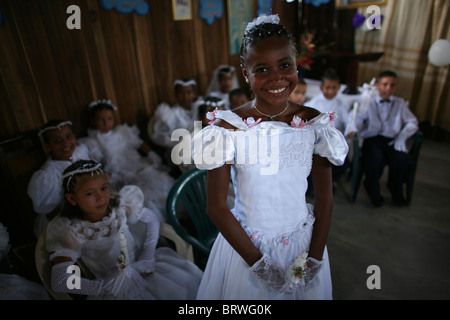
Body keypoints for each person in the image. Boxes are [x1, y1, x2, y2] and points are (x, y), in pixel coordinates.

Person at [192, 14, 348, 300]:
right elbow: (216, 207)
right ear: (245, 72)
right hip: (246, 249)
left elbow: (325, 198)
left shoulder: (314, 123)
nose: (277, 78)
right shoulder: (227, 129)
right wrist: (259, 264)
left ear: (296, 63)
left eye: (285, 65)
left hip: (304, 242)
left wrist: (314, 257)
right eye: (262, 69)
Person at [46, 160, 203, 300]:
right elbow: (60, 280)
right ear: (72, 199)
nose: (101, 198)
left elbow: (151, 219)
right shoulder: (73, 232)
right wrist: (100, 287)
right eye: (89, 193)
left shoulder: (121, 206)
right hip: (114, 291)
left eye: (103, 188)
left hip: (143, 269)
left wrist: (147, 255)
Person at [80, 99, 174, 222]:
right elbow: (95, 165)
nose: (106, 123)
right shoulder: (93, 142)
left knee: (162, 182)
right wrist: (113, 175)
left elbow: (140, 144)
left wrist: (150, 153)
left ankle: (175, 216)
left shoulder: (121, 132)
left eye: (109, 119)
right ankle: (159, 225)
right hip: (118, 172)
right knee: (141, 196)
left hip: (136, 164)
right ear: (93, 121)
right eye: (100, 120)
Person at [347, 70, 419, 207]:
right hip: (373, 139)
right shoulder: (369, 102)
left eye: (392, 85)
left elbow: (412, 122)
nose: (388, 88)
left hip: (392, 140)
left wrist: (402, 137)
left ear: (396, 88)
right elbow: (356, 118)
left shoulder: (400, 104)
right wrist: (352, 129)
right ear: (378, 86)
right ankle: (372, 189)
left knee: (402, 161)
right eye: (385, 84)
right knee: (374, 160)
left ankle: (395, 188)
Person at [27, 120, 90, 238]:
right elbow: (51, 212)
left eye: (68, 136)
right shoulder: (48, 176)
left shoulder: (80, 152)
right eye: (57, 141)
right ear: (47, 146)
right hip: (64, 220)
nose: (65, 143)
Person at [305, 70, 351, 188]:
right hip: (317, 141)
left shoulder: (340, 104)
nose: (330, 91)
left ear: (339, 88)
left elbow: (348, 121)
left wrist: (350, 130)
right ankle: (314, 185)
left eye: (334, 88)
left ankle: (326, 183)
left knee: (344, 164)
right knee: (318, 162)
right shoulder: (313, 103)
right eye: (327, 88)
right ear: (321, 88)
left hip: (334, 142)